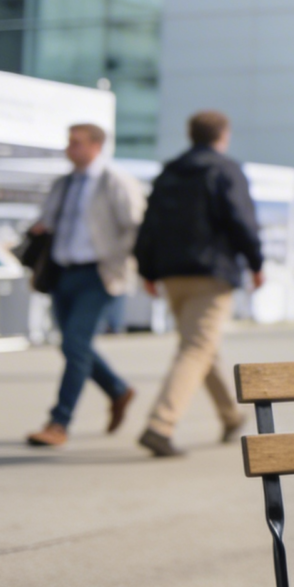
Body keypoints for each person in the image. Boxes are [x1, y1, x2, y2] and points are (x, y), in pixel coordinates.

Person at [134, 110, 264, 457]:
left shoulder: (169, 172)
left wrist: (147, 270)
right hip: (212, 273)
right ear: (223, 134)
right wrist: (256, 263)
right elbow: (241, 220)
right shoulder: (225, 169)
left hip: (173, 274)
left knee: (201, 346)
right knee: (195, 348)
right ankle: (160, 425)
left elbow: (149, 224)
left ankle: (230, 416)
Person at [25, 123, 145, 448]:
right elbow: (47, 223)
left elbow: (135, 226)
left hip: (98, 274)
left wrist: (124, 263)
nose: (70, 148)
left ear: (96, 146)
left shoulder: (115, 180)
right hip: (62, 272)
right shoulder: (64, 184)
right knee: (71, 345)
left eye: (76, 143)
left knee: (75, 345)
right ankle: (118, 389)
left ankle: (58, 422)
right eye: (69, 142)